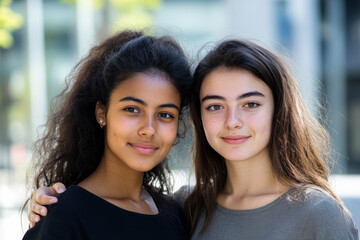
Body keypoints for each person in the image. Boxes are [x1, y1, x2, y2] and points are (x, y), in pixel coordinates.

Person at [27, 39, 360, 240]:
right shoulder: (189, 208)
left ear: (279, 110)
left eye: (251, 104)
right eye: (215, 105)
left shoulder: (319, 213)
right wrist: (54, 206)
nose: (233, 121)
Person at [22, 30, 192, 239]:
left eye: (165, 114)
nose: (149, 128)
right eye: (132, 109)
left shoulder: (177, 216)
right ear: (102, 113)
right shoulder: (64, 215)